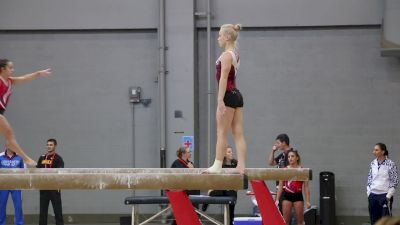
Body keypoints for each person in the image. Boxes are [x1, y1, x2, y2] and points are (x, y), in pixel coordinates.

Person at [205, 24, 247, 175]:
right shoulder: (236, 54)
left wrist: (220, 100)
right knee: (238, 133)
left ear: (227, 37)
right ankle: (241, 166)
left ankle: (217, 165)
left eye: (220, 35)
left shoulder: (226, 56)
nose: (218, 38)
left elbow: (223, 79)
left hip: (228, 95)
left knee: (221, 132)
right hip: (237, 95)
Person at [0, 59, 52, 167]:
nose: (13, 70)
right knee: (9, 135)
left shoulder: (10, 81)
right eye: (10, 68)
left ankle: (26, 159)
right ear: (2, 69)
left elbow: (24, 78)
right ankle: (27, 159)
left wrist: (38, 73)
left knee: (9, 137)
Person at [202, 146, 238, 225]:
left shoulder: (235, 163)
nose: (231, 153)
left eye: (231, 151)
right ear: (224, 154)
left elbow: (240, 174)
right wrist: (207, 171)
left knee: (231, 207)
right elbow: (213, 170)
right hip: (221, 187)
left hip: (231, 188)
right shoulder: (219, 163)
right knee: (211, 192)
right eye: (229, 152)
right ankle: (206, 202)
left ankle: (230, 222)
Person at [275, 150, 311, 225]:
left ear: (297, 158)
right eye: (288, 157)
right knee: (286, 222)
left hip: (298, 196)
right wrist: (277, 199)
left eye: (292, 156)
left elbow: (306, 187)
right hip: (287, 196)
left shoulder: (302, 170)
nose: (290, 158)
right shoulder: (284, 170)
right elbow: (281, 186)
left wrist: (308, 201)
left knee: (300, 222)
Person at [367, 143, 398, 225]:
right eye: (374, 150)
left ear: (383, 152)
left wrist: (388, 196)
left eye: (376, 150)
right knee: (374, 220)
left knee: (385, 221)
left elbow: (394, 181)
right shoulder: (373, 163)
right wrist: (369, 193)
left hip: (384, 196)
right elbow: (370, 179)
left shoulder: (390, 164)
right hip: (373, 196)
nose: (374, 152)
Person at [37, 139, 65, 225]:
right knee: (43, 212)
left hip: (54, 188)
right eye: (48, 144)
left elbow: (60, 174)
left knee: (57, 211)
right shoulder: (41, 158)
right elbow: (37, 171)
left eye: (51, 145)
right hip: (43, 187)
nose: (49, 146)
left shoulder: (58, 158)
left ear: (55, 146)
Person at [170, 146, 199, 225]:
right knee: (181, 215)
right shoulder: (176, 163)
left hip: (190, 191)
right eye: (189, 152)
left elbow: (196, 177)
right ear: (183, 154)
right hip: (180, 193)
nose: (190, 153)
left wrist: (193, 170)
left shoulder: (190, 164)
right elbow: (180, 178)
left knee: (189, 215)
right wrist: (191, 170)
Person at [0, 148, 25, 225]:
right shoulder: (1, 157)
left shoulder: (19, 157)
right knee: (1, 206)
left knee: (18, 206)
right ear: (6, 145)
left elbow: (23, 172)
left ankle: (19, 223)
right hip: (3, 185)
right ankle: (1, 223)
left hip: (16, 185)